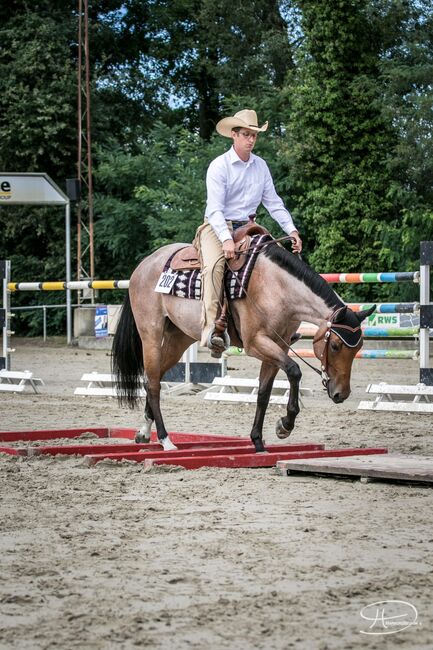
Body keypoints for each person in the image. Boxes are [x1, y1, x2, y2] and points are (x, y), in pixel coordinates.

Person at [194, 108, 302, 356]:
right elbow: (214, 209)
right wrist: (225, 239)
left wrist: (292, 230)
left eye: (254, 135)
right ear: (234, 135)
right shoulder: (219, 166)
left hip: (249, 226)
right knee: (214, 267)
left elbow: (273, 202)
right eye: (246, 134)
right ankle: (211, 329)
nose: (251, 139)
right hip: (217, 225)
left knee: (279, 261)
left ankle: (282, 326)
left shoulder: (261, 166)